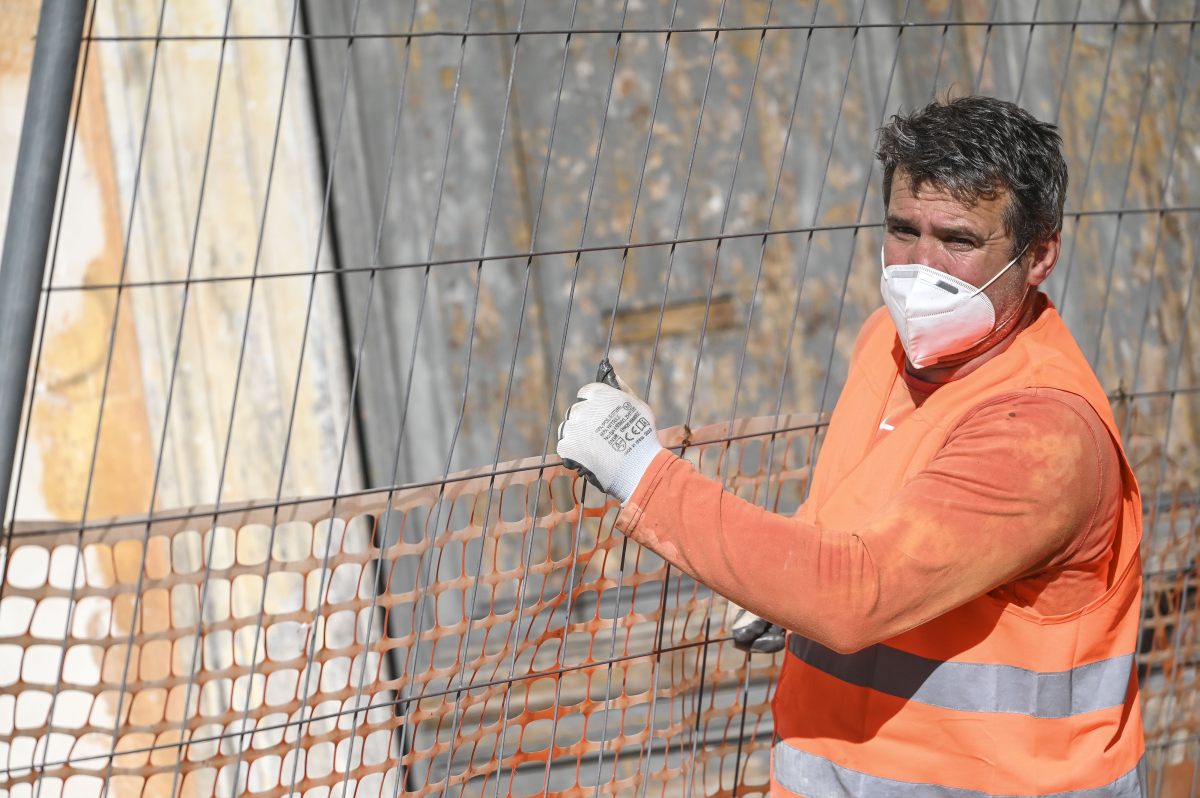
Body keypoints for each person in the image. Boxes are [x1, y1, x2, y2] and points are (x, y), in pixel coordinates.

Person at [556, 95, 1145, 797]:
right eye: (902, 229)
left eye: (957, 240)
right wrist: (781, 587)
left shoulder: (1041, 435)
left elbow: (853, 594)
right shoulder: (887, 345)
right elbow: (853, 515)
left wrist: (640, 469)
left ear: (1039, 253)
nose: (919, 266)